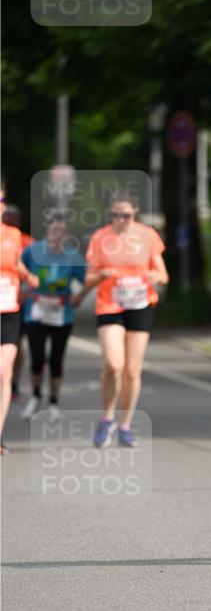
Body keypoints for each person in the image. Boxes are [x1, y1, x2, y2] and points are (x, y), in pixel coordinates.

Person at [84, 192, 168, 447]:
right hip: (110, 304)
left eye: (126, 215)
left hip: (140, 304)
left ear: (135, 213)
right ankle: (106, 418)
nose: (121, 220)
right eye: (116, 215)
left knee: (132, 370)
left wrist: (156, 277)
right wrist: (101, 276)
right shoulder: (101, 237)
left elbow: (163, 275)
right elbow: (88, 279)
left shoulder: (148, 236)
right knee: (113, 364)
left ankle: (125, 425)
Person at [20, 211, 87, 421]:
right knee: (37, 358)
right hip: (36, 312)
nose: (57, 232)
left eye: (62, 229)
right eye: (54, 228)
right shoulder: (33, 250)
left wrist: (79, 296)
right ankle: (35, 396)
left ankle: (54, 402)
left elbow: (87, 279)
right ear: (46, 229)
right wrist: (24, 286)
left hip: (62, 314)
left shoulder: (73, 255)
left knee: (57, 360)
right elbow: (17, 267)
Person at [0, 187, 39, 454]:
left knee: (4, 371)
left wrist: (28, 278)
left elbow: (17, 264)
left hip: (9, 309)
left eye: (1, 199)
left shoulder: (13, 235)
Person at [2, 200, 34, 401]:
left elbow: (34, 273)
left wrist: (26, 292)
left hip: (14, 303)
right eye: (8, 219)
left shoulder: (26, 241)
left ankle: (12, 383)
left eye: (14, 220)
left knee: (15, 346)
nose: (11, 223)